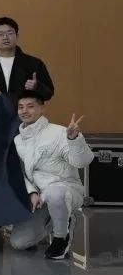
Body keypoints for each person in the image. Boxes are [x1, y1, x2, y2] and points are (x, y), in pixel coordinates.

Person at [9, 91, 93, 260]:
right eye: (20, 107)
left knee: (56, 193)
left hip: (65, 190)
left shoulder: (60, 133)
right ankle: (60, 219)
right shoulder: (18, 140)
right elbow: (19, 173)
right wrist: (32, 192)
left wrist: (74, 139)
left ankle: (61, 237)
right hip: (40, 198)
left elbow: (82, 161)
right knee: (19, 243)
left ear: (42, 108)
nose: (24, 111)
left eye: (30, 106)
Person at [0, 17, 54, 103]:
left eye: (10, 33)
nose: (5, 37)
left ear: (17, 36)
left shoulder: (34, 63)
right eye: (0, 34)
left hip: (23, 111)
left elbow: (49, 93)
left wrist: (37, 86)